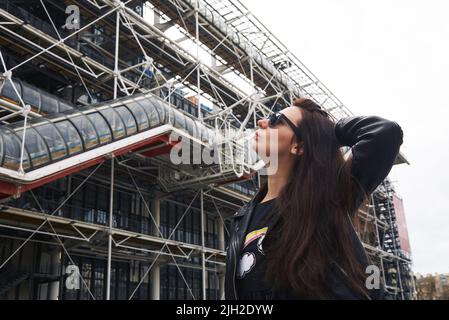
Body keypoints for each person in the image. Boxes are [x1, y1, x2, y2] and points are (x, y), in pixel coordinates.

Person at [224, 97, 404, 300]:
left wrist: (327, 132)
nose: (261, 122)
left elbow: (385, 133)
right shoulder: (242, 218)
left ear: (298, 146)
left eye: (276, 119)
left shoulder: (326, 197)